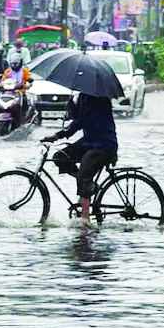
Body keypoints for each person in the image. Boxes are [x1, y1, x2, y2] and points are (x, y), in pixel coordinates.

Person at [41, 93, 118, 232]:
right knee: (60, 157)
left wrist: (59, 135)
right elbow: (77, 118)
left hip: (103, 144)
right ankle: (88, 186)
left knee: (84, 174)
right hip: (88, 142)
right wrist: (72, 108)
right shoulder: (83, 97)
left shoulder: (100, 98)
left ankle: (85, 218)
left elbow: (81, 121)